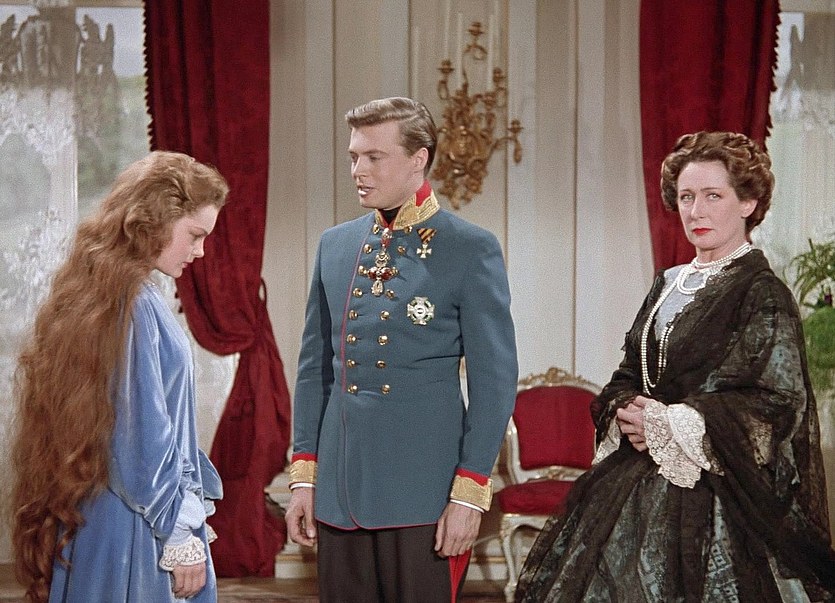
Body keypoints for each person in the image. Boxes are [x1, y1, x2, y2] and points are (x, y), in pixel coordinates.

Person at [516, 131, 835, 602]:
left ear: (748, 203)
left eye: (713, 196)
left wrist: (671, 422)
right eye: (686, 197)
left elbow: (778, 401)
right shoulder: (668, 282)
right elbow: (630, 370)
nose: (696, 211)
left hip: (718, 499)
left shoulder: (762, 292)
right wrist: (628, 408)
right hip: (633, 483)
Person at [285, 96, 518, 602]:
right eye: (354, 156)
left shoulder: (469, 248)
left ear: (418, 158)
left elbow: (494, 383)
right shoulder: (335, 246)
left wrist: (470, 494)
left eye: (374, 156)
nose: (358, 170)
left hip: (424, 495)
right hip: (340, 492)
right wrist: (304, 477)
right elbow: (314, 372)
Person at [8, 151, 229, 602]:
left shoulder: (110, 294)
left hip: (102, 513)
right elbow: (140, 435)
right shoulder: (135, 304)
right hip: (137, 523)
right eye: (195, 235)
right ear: (156, 220)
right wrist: (179, 532)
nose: (200, 251)